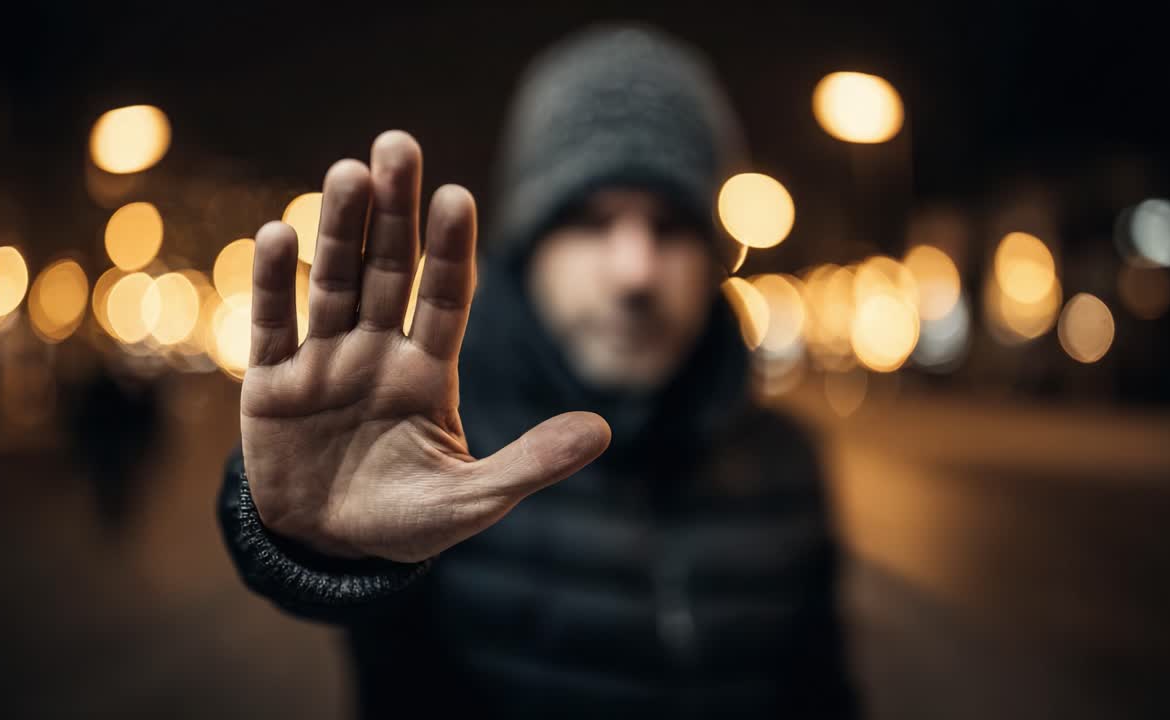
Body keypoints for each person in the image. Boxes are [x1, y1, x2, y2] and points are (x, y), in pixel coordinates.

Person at [218, 23, 856, 718]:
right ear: (528, 249)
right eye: (588, 221)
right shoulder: (440, 450)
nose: (635, 271)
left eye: (670, 225)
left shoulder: (786, 464)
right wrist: (314, 546)